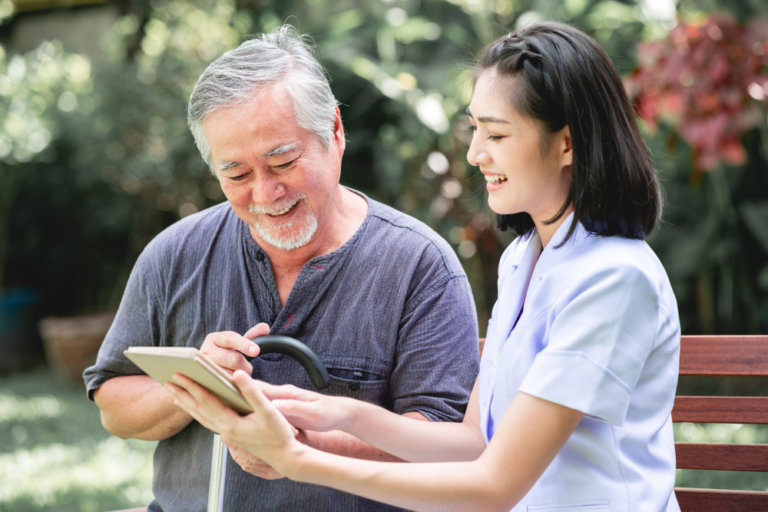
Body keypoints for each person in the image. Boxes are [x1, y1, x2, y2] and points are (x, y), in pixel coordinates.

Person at [166, 21, 682, 512]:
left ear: (567, 143)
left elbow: (493, 487)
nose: (476, 153)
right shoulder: (526, 259)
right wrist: (338, 413)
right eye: (474, 128)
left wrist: (299, 460)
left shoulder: (615, 278)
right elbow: (471, 440)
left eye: (497, 135)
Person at [83, 24, 479, 512]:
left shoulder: (420, 266)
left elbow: (452, 449)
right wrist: (193, 386)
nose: (266, 193)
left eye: (284, 161)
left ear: (335, 131)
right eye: (238, 175)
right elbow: (113, 404)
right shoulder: (174, 254)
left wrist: (301, 447)